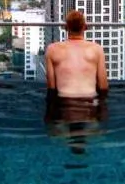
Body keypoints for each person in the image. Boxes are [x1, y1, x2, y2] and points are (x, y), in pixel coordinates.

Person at [44, 10, 109, 154]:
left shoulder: (52, 50)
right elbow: (103, 85)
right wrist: (102, 108)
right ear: (85, 27)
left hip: (64, 104)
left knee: (55, 133)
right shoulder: (96, 49)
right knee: (96, 132)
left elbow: (51, 87)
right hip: (90, 103)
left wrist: (49, 113)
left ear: (66, 28)